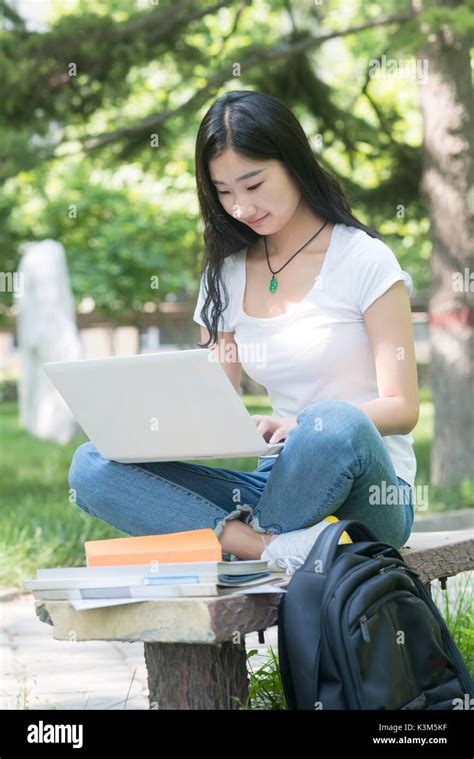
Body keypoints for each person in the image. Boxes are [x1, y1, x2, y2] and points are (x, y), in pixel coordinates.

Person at [69, 90, 418, 575]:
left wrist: (301, 425)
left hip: (367, 486)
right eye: (224, 191)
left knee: (332, 422)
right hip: (276, 483)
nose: (241, 206)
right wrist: (144, 425)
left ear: (293, 162)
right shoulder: (226, 274)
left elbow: (403, 408)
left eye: (253, 184)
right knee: (90, 466)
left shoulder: (364, 259)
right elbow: (213, 404)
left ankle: (242, 542)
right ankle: (269, 548)